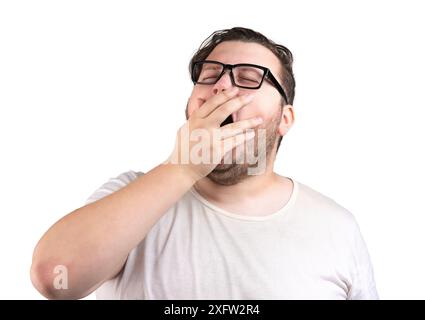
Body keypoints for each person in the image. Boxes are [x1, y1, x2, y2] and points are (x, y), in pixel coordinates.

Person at [30, 27, 378, 299]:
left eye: (247, 78)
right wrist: (183, 167)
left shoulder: (337, 228)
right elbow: (55, 279)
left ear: (284, 118)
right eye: (210, 76)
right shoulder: (128, 195)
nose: (221, 88)